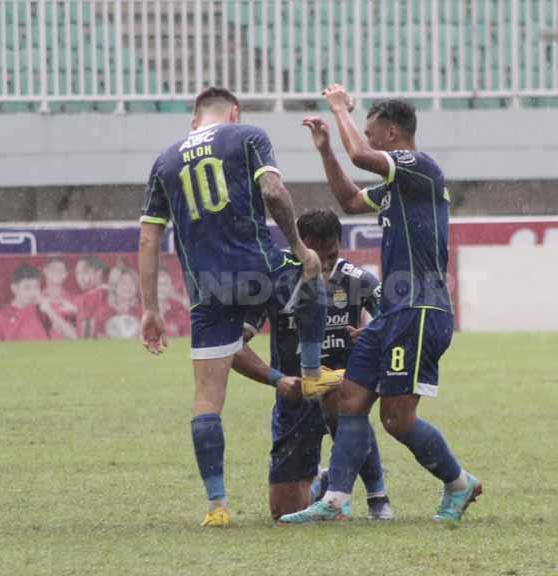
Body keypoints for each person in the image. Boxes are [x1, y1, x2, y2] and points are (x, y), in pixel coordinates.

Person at [137, 87, 342, 527]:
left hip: (206, 290)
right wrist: (298, 244)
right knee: (312, 277)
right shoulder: (247, 135)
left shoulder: (165, 161)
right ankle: (310, 373)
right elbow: (272, 191)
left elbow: (149, 238)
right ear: (233, 112)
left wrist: (150, 308)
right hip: (256, 269)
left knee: (207, 400)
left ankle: (217, 506)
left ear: (195, 121)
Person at [280, 86, 481, 523]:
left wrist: (338, 111)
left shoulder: (419, 167)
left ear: (392, 134)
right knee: (350, 399)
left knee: (397, 419)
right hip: (392, 312)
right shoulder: (397, 187)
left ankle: (459, 483)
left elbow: (360, 158)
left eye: (371, 133)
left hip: (420, 309)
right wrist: (326, 150)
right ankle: (335, 500)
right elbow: (351, 200)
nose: (366, 140)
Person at [230, 209, 393, 521]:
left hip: (343, 390)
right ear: (299, 246)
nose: (326, 264)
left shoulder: (356, 280)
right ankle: (325, 480)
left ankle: (378, 497)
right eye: (319, 255)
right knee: (283, 514)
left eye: (332, 254)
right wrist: (277, 378)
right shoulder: (277, 281)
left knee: (346, 404)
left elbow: (396, 318)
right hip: (295, 399)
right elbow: (234, 345)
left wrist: (373, 334)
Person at [0, 263, 74, 342]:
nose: (33, 292)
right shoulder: (0, 315)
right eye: (27, 287)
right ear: (14, 288)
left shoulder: (44, 309)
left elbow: (72, 338)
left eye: (36, 287)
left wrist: (50, 311)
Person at [41, 258, 78, 340]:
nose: (57, 272)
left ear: (65, 274)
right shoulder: (36, 299)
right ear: (45, 271)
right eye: (53, 269)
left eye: (61, 270)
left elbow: (77, 336)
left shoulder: (74, 301)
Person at [74, 256, 110, 339]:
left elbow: (86, 337)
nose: (79, 277)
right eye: (77, 273)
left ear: (99, 273)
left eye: (84, 272)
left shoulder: (87, 298)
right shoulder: (115, 292)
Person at [105, 264, 141, 339]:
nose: (129, 287)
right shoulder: (105, 311)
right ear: (114, 286)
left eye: (132, 282)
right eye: (124, 283)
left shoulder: (142, 310)